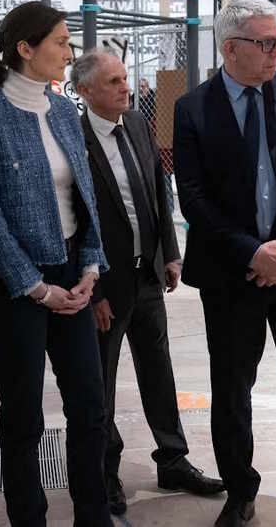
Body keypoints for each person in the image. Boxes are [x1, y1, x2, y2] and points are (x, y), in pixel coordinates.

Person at [173, 0, 276, 527]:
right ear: (230, 49)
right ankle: (240, 492)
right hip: (231, 273)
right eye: (265, 43)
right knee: (231, 390)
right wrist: (251, 252)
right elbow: (193, 196)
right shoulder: (193, 108)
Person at [0, 2, 111, 527]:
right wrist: (36, 287)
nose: (69, 52)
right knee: (23, 418)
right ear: (25, 48)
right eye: (61, 42)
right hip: (14, 288)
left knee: (89, 407)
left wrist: (90, 267)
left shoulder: (64, 111)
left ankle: (93, 515)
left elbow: (84, 198)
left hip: (72, 275)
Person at [71, 51, 225, 516]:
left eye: (125, 78)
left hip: (147, 277)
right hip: (106, 284)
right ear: (85, 91)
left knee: (159, 371)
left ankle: (173, 460)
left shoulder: (137, 123)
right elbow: (75, 220)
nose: (125, 87)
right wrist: (94, 291)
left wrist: (169, 253)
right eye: (113, 82)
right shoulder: (74, 139)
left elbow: (159, 189)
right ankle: (105, 470)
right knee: (102, 382)